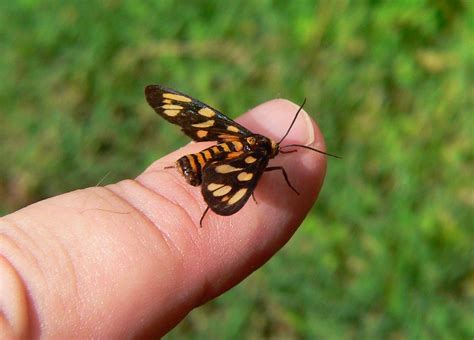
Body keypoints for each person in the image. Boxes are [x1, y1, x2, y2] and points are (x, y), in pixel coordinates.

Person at [0, 99, 327, 338]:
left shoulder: (244, 138)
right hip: (206, 168)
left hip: (198, 161)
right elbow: (237, 185)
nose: (272, 153)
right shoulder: (260, 158)